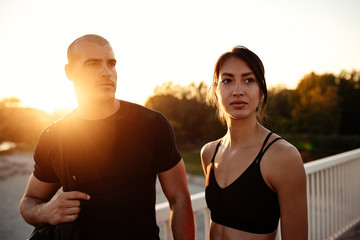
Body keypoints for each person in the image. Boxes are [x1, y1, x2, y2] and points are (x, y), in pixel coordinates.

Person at [19, 34, 195, 240]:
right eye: (93, 64)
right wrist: (45, 211)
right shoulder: (53, 136)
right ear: (69, 72)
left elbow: (179, 198)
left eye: (111, 64)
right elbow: (29, 201)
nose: (106, 72)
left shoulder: (152, 124)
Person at [201, 46, 308, 240]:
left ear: (261, 92)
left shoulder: (283, 156)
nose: (238, 90)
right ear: (216, 92)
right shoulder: (209, 153)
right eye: (227, 80)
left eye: (249, 80)